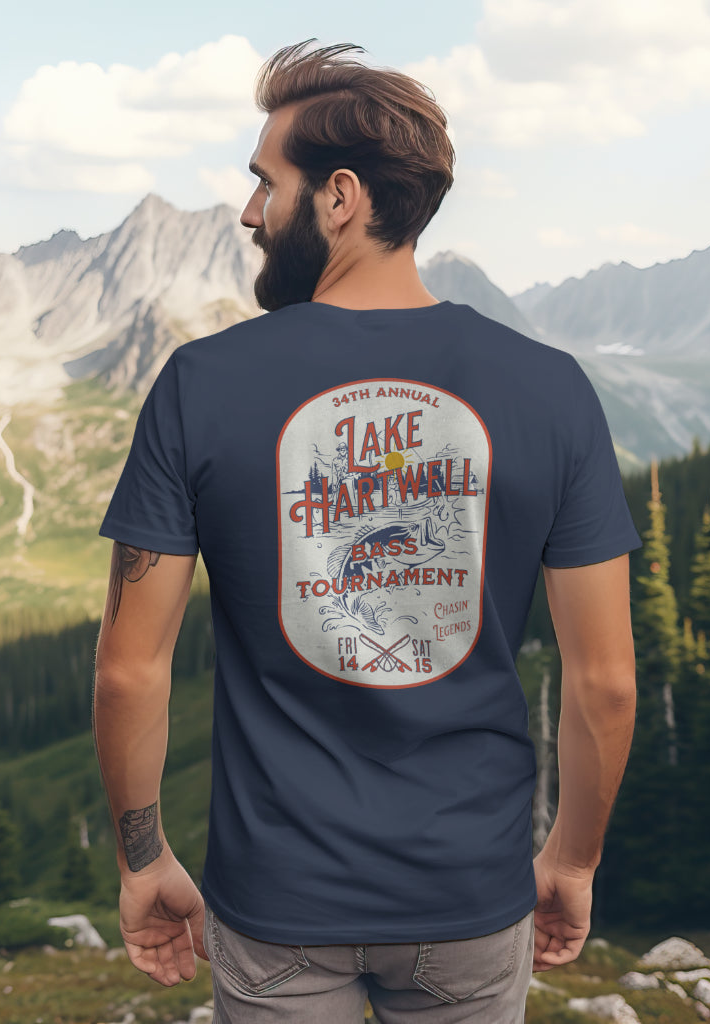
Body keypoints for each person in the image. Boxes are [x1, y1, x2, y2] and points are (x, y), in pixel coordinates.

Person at [93, 39, 639, 1024]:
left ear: (338, 197)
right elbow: (604, 680)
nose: (251, 212)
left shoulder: (201, 385)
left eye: (267, 183)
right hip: (468, 897)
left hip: (277, 901)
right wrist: (571, 857)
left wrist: (143, 859)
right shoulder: (549, 390)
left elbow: (131, 671)